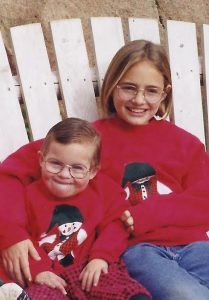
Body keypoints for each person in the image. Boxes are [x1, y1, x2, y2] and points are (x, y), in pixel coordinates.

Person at [1, 39, 209, 299]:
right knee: (187, 295)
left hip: (197, 245)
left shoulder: (186, 144)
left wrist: (148, 215)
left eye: (151, 91)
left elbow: (204, 198)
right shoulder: (88, 143)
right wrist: (11, 234)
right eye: (129, 88)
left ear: (165, 93)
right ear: (112, 86)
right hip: (137, 250)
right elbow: (10, 173)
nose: (139, 100)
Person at [0, 117, 151, 300]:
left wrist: (101, 257)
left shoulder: (104, 190)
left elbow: (116, 223)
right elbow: (23, 240)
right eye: (55, 164)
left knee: (125, 291)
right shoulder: (28, 195)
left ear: (93, 171)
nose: (64, 175)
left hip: (88, 267)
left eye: (77, 168)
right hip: (47, 275)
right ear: (41, 159)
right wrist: (39, 271)